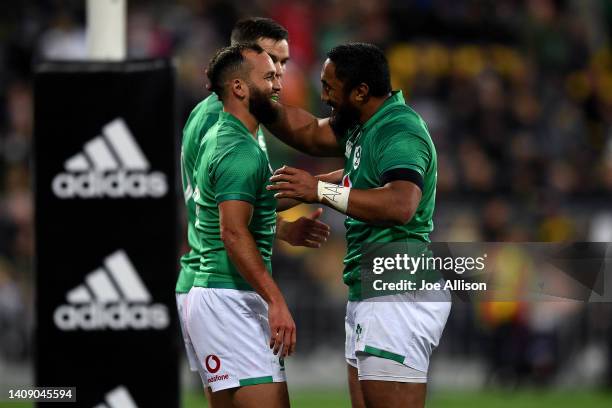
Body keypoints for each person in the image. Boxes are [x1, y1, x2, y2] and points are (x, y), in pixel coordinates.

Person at [264, 43, 451, 408]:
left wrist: (317, 190)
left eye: (330, 86)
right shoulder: (365, 128)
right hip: (372, 289)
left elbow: (401, 204)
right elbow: (321, 151)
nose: (324, 96)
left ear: (361, 91)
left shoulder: (399, 130)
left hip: (398, 290)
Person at [175, 17, 330, 396]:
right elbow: (223, 219)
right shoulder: (224, 123)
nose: (278, 74)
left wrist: (279, 227)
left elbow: (233, 202)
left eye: (283, 63)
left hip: (215, 285)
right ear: (242, 65)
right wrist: (275, 298)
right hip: (221, 283)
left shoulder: (239, 119)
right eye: (270, 62)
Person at [186, 43, 294, 407]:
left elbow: (250, 204)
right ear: (239, 88)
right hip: (231, 299)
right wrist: (275, 299)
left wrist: (324, 188)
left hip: (215, 295)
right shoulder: (240, 151)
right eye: (268, 77)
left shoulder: (222, 136)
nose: (278, 84)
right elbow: (232, 232)